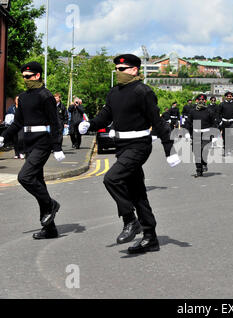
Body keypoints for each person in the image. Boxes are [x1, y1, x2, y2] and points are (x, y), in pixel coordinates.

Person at [78, 54, 181, 254]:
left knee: (111, 179)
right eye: (116, 69)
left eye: (122, 69)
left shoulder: (143, 92)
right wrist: (90, 124)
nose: (118, 72)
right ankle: (150, 238)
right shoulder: (114, 92)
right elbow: (105, 115)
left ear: (134, 70)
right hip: (122, 146)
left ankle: (130, 220)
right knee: (137, 192)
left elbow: (157, 121)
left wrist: (170, 149)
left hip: (139, 145)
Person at [0, 61, 66, 239]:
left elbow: (55, 123)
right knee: (39, 183)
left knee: (25, 177)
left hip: (42, 143)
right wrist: (3, 137)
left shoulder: (46, 96)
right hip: (28, 143)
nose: (25, 80)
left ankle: (51, 204)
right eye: (23, 77)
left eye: (28, 76)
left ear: (37, 75)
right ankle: (50, 229)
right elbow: (18, 123)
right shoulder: (23, 97)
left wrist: (57, 146)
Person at [185, 94, 217, 177]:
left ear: (205, 101)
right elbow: (188, 123)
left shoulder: (209, 111)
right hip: (196, 133)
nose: (201, 101)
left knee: (204, 149)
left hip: (206, 133)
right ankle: (199, 171)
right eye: (199, 100)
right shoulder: (192, 111)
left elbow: (214, 124)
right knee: (196, 152)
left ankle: (204, 163)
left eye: (203, 100)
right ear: (196, 101)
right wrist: (186, 133)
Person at [218, 91, 233, 156]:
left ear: (232, 97)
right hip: (224, 122)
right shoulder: (222, 104)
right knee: (225, 137)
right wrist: (220, 121)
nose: (229, 97)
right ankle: (225, 150)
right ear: (225, 97)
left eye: (230, 96)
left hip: (232, 122)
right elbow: (218, 113)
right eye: (228, 96)